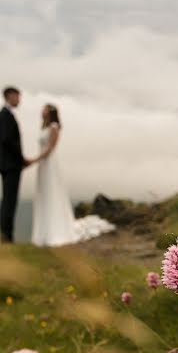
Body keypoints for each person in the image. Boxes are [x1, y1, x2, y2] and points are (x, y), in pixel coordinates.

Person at [30, 103, 115, 246]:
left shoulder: (54, 127)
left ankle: (54, 230)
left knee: (52, 193)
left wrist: (35, 159)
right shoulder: (45, 127)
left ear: (50, 112)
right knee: (44, 194)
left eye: (44, 109)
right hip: (43, 166)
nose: (41, 112)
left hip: (49, 164)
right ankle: (44, 232)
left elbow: (51, 148)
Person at [0, 86, 30, 243]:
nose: (19, 100)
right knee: (9, 201)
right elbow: (7, 140)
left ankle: (6, 236)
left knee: (8, 201)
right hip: (10, 165)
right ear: (10, 96)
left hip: (8, 164)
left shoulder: (5, 115)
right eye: (17, 97)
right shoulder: (5, 115)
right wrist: (21, 159)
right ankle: (6, 237)